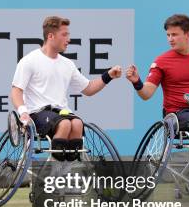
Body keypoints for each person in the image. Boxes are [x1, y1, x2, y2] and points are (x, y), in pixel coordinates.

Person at [125, 14, 189, 191]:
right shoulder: (161, 61)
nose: (170, 39)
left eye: (174, 35)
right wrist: (136, 81)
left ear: (187, 35)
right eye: (168, 35)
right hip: (175, 114)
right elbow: (146, 93)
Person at [10, 16, 122, 161]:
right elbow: (16, 91)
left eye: (68, 35)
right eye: (64, 35)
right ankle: (53, 174)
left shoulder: (68, 64)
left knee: (77, 123)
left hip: (62, 113)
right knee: (64, 124)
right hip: (37, 114)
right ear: (50, 36)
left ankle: (68, 168)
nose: (68, 39)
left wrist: (109, 75)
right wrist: (23, 112)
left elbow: (88, 88)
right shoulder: (29, 61)